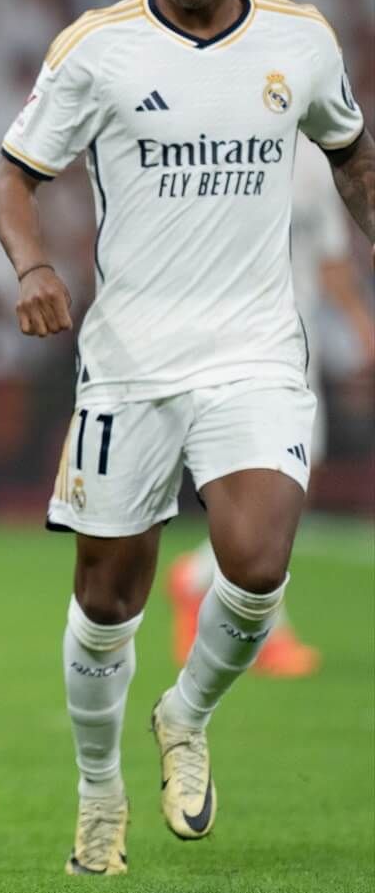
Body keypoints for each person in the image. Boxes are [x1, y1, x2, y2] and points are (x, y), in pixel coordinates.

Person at [0, 0, 374, 877]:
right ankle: (98, 790)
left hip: (255, 350)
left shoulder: (303, 43)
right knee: (109, 598)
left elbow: (350, 153)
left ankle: (187, 712)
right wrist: (31, 267)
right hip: (129, 362)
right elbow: (16, 177)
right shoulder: (97, 48)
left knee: (257, 562)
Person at [166, 141, 375, 677]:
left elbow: (330, 259)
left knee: (298, 480)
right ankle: (265, 628)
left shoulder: (313, 157)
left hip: (297, 341)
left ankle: (199, 579)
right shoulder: (232, 139)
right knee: (274, 483)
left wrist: (359, 330)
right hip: (240, 342)